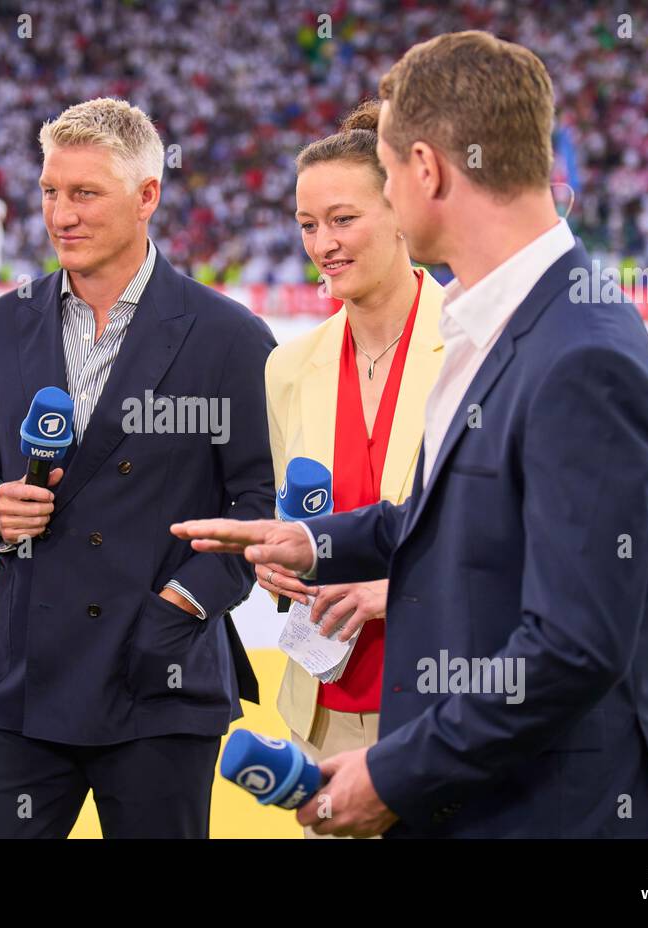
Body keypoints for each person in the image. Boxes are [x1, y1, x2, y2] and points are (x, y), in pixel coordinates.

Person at [172, 32, 648, 838]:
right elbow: (441, 523)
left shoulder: (579, 351)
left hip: (547, 813)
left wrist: (394, 771)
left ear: (426, 170)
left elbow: (573, 647)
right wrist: (308, 542)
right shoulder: (507, 321)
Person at [0, 97, 276, 838]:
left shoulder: (229, 337)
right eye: (51, 191)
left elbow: (259, 505)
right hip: (20, 684)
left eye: (86, 193)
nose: (62, 214)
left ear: (147, 196)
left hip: (160, 683)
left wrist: (182, 604)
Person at [261, 100, 446, 838]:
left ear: (400, 210)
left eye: (343, 219)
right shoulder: (288, 368)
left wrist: (391, 593)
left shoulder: (474, 350)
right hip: (322, 711)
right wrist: (275, 564)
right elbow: (298, 522)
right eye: (308, 225)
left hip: (440, 710)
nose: (322, 245)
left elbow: (504, 542)